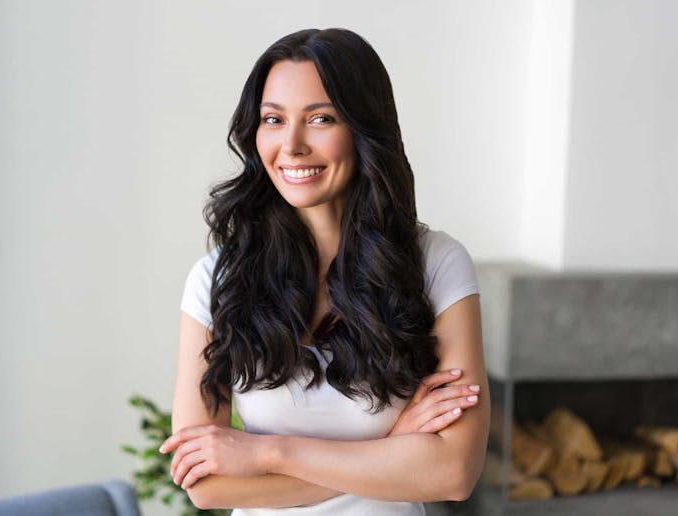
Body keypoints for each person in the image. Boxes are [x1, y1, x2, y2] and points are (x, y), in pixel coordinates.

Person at [158, 28, 490, 515]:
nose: (291, 145)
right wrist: (391, 452)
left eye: (320, 119)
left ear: (362, 129)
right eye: (273, 119)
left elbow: (453, 474)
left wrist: (266, 451)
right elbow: (206, 486)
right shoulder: (217, 279)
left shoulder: (436, 264)